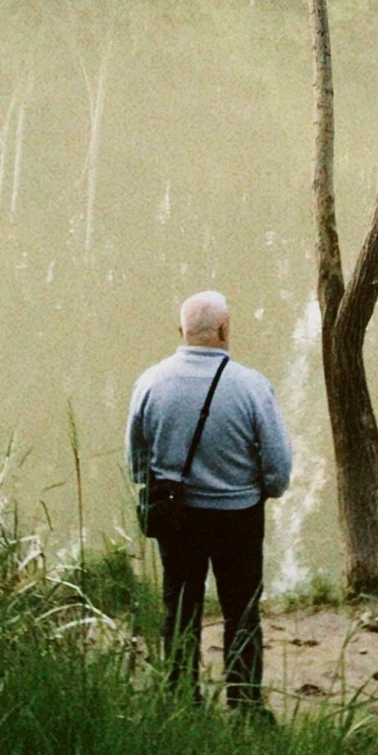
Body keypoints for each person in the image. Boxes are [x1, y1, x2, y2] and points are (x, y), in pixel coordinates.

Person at [126, 290, 292, 710]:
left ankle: (181, 699)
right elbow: (278, 469)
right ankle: (245, 706)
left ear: (180, 331)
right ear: (224, 329)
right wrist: (259, 490)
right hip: (238, 517)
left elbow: (136, 463)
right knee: (242, 611)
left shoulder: (149, 383)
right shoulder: (252, 387)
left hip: (176, 517)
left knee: (179, 607)